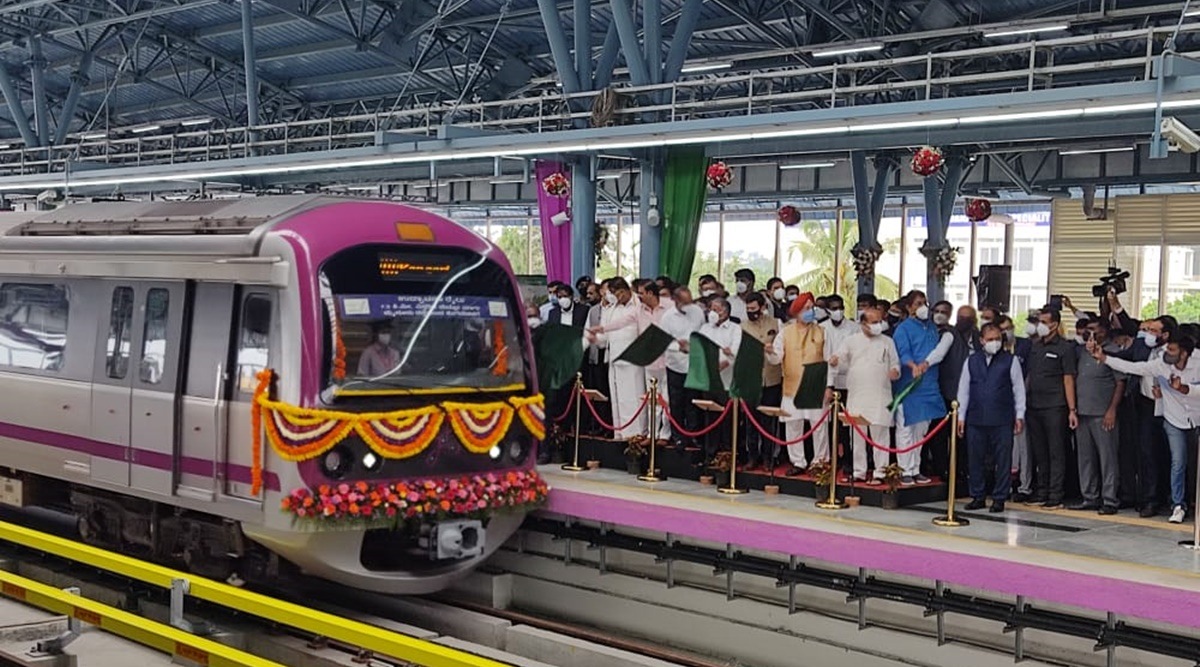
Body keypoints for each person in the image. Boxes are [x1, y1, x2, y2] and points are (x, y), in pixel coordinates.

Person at [1092, 336, 1200, 524]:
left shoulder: (1198, 362)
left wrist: (1184, 388)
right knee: (1178, 462)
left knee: (1194, 465)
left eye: (1172, 350)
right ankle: (1178, 505)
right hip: (1173, 418)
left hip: (1197, 418)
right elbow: (1133, 367)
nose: (1167, 353)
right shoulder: (1161, 364)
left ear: (1184, 353)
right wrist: (1104, 358)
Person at [957, 323, 1026, 513]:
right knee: (975, 458)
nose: (994, 343)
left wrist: (1019, 415)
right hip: (976, 418)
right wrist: (961, 417)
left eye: (997, 339)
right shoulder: (971, 361)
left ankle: (999, 498)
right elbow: (963, 390)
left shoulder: (1010, 361)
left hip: (1002, 418)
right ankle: (977, 495)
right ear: (981, 341)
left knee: (1002, 460)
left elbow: (1018, 389)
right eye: (990, 340)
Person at [829, 307, 901, 483]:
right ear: (863, 324)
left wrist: (894, 372)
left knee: (880, 437)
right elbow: (839, 359)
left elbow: (896, 365)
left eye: (879, 321)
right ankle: (859, 472)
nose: (878, 325)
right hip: (857, 395)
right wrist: (835, 360)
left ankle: (880, 472)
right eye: (873, 322)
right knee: (858, 437)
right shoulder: (851, 341)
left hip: (880, 396)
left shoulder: (887, 341)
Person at [890, 290, 952, 485]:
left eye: (925, 302)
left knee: (921, 431)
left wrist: (925, 366)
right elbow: (903, 352)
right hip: (909, 385)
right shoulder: (903, 328)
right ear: (909, 308)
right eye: (918, 303)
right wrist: (913, 366)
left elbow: (936, 353)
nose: (923, 306)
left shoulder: (932, 328)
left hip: (928, 385)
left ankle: (916, 468)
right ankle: (904, 469)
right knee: (906, 429)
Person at [1025, 308, 1079, 509]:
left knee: (1056, 451)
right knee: (1039, 451)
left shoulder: (1064, 348)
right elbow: (1031, 375)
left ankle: (1056, 493)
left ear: (1055, 325)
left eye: (1044, 321)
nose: (1040, 325)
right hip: (1034, 405)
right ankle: (1042, 490)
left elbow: (1068, 379)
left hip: (1055, 406)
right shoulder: (1035, 346)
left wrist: (1072, 409)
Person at [1070, 321, 1125, 515]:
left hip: (1102, 413)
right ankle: (1089, 497)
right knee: (1085, 458)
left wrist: (1112, 410)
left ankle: (1110, 499)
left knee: (1107, 457)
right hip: (1082, 411)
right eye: (1089, 331)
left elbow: (1120, 383)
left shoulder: (1111, 352)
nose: (1092, 335)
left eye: (1096, 331)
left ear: (1104, 333)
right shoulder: (1081, 352)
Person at [771, 293, 829, 476]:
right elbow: (776, 358)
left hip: (816, 387)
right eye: (806, 308)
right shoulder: (785, 332)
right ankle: (798, 461)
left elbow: (829, 361)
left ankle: (820, 462)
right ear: (797, 312)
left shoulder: (822, 331)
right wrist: (768, 351)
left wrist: (829, 386)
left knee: (818, 427)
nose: (810, 311)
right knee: (793, 425)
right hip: (792, 387)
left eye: (811, 308)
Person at [590, 278, 646, 440]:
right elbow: (604, 336)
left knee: (634, 396)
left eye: (620, 293)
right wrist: (595, 339)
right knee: (617, 398)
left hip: (633, 359)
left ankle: (636, 433)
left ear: (627, 289)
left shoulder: (638, 305)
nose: (618, 297)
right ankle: (619, 432)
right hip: (614, 357)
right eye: (614, 294)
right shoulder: (610, 309)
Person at [742, 292, 783, 470]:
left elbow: (781, 348)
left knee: (768, 422)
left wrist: (772, 349)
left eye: (754, 308)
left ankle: (768, 458)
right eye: (748, 309)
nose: (751, 312)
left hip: (771, 379)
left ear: (762, 307)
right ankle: (752, 457)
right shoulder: (742, 326)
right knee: (751, 422)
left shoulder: (775, 324)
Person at [699, 297, 742, 462]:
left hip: (727, 382)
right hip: (709, 381)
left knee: (728, 420)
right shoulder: (705, 328)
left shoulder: (735, 329)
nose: (713, 313)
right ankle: (710, 454)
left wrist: (726, 361)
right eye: (711, 309)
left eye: (717, 309)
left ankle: (727, 455)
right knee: (710, 418)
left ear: (726, 311)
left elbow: (736, 351)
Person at [662, 286, 706, 449]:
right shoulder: (667, 317)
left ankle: (693, 435)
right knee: (676, 402)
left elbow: (703, 332)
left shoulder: (697, 312)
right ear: (676, 301)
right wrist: (679, 347)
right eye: (685, 302)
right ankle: (678, 436)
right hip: (675, 364)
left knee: (693, 402)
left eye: (690, 301)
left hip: (694, 364)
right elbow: (664, 341)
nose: (689, 305)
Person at [821, 294, 856, 474]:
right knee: (830, 423)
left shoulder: (853, 327)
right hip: (829, 381)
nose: (838, 311)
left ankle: (848, 459)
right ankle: (833, 457)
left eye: (840, 307)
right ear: (827, 310)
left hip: (848, 381)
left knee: (847, 424)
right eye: (833, 308)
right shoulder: (821, 328)